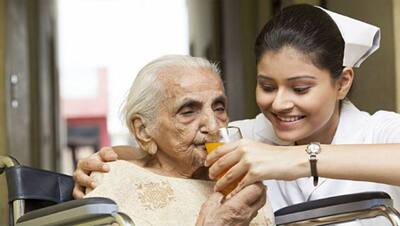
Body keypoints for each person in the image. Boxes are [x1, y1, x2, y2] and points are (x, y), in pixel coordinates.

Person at [73, 3, 400, 222]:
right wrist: (110, 161)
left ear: (342, 83)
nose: (280, 104)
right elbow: (180, 148)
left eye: (300, 89)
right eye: (267, 87)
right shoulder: (249, 137)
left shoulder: (380, 132)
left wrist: (295, 159)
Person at [80, 55, 273, 226]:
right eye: (188, 111)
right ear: (143, 130)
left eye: (219, 108)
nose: (214, 126)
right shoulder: (116, 183)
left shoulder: (241, 174)